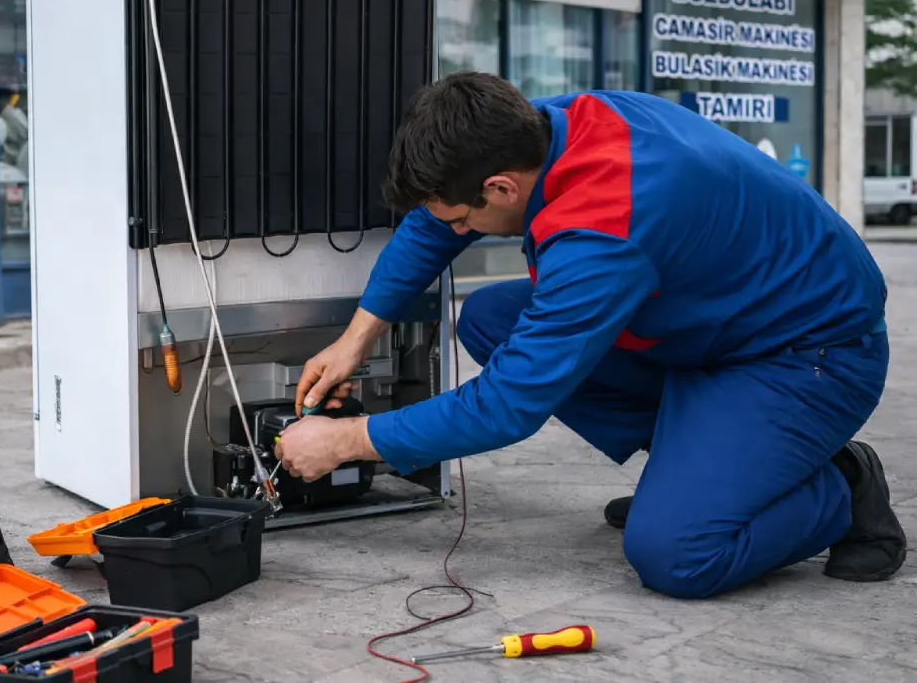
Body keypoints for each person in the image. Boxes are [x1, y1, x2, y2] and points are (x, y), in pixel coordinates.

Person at [273, 72, 906, 600]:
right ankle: (698, 478)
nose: (459, 227)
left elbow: (507, 405)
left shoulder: (602, 232)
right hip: (720, 324)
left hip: (808, 355)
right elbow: (433, 225)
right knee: (493, 317)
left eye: (468, 217)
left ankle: (839, 486)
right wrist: (356, 336)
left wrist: (349, 440)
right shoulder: (550, 125)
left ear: (500, 188)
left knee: (677, 553)